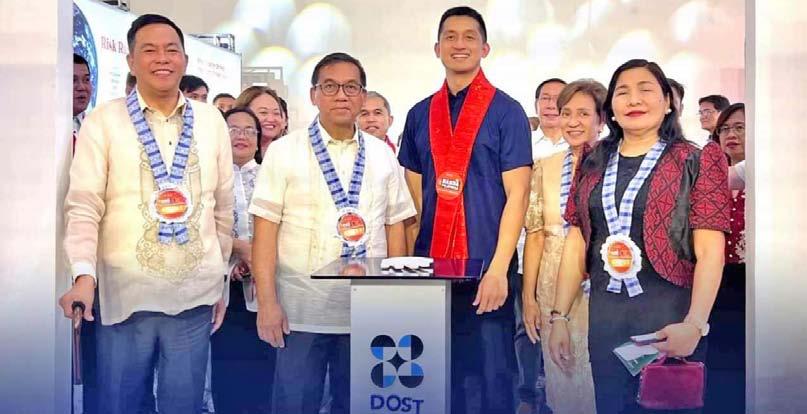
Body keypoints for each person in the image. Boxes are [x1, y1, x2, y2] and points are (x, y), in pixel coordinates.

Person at [58, 14, 233, 413]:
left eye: (172, 49)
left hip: (194, 297)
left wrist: (219, 277)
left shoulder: (210, 121)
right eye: (149, 50)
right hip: (125, 296)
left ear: (185, 59)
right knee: (120, 404)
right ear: (131, 61)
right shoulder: (104, 122)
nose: (162, 58)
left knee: (183, 404)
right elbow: (84, 205)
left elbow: (223, 209)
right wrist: (83, 275)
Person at [549, 59, 730, 414]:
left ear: (667, 102)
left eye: (645, 90)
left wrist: (695, 325)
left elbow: (711, 251)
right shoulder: (592, 161)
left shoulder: (696, 160)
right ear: (611, 108)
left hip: (671, 318)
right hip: (606, 319)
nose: (634, 99)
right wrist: (559, 317)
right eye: (623, 92)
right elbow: (577, 241)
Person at [249, 52, 416, 414]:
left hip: (367, 309)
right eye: (330, 86)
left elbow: (395, 226)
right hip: (300, 309)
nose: (341, 95)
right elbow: (264, 232)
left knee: (361, 404)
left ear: (362, 95)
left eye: (351, 87)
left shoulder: (382, 155)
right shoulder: (284, 152)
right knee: (296, 404)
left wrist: (397, 298)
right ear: (314, 95)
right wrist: (267, 303)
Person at [398, 7, 532, 414]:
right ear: (437, 48)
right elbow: (416, 197)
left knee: (495, 377)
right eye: (450, 36)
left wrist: (499, 268)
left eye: (470, 36)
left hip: (488, 267)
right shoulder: (419, 114)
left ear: (485, 48)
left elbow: (518, 195)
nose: (460, 44)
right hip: (433, 268)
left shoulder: (507, 111)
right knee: (438, 375)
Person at [523, 79, 605, 414]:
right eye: (566, 113)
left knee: (598, 373)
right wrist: (529, 297)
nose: (572, 121)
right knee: (562, 369)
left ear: (602, 119)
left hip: (602, 279)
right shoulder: (546, 165)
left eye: (583, 113)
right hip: (552, 278)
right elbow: (535, 233)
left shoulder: (615, 162)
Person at [211, 107, 274, 414]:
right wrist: (234, 256)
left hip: (266, 288)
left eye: (250, 130)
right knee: (226, 366)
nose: (242, 136)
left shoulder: (270, 177)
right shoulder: (210, 180)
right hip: (222, 287)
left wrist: (255, 259)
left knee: (264, 365)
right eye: (233, 129)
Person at [514, 75, 568, 414]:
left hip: (570, 254)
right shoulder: (524, 147)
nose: (551, 104)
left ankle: (559, 388)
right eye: (545, 98)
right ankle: (527, 391)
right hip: (528, 249)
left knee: (566, 321)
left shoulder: (583, 147)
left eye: (558, 98)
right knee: (527, 324)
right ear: (536, 105)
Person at [704, 102, 745, 414]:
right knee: (717, 360)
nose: (731, 134)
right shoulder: (710, 181)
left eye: (740, 127)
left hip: (752, 282)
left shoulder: (769, 178)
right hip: (715, 279)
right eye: (725, 129)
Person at [235, 86, 287, 156]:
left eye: (276, 113)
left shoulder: (290, 153)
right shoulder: (229, 154)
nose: (271, 119)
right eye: (263, 112)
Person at [73, 54, 93, 153]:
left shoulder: (96, 126)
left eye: (86, 80)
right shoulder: (48, 129)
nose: (82, 87)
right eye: (73, 80)